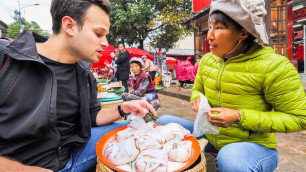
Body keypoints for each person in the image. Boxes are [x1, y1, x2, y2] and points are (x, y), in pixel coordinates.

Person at [0, 0, 157, 172]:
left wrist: (122, 109)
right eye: (99, 34)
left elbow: (93, 115)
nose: (105, 43)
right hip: (24, 165)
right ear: (69, 25)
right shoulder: (7, 58)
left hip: (74, 154)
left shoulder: (84, 73)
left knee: (159, 125)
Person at [155, 0, 306, 172]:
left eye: (219, 27)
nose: (209, 36)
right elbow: (197, 90)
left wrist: (240, 116)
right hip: (212, 136)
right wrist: (197, 99)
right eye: (210, 27)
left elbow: (300, 118)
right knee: (163, 123)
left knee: (231, 159)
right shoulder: (207, 60)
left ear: (242, 32)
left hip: (253, 146)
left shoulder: (274, 66)